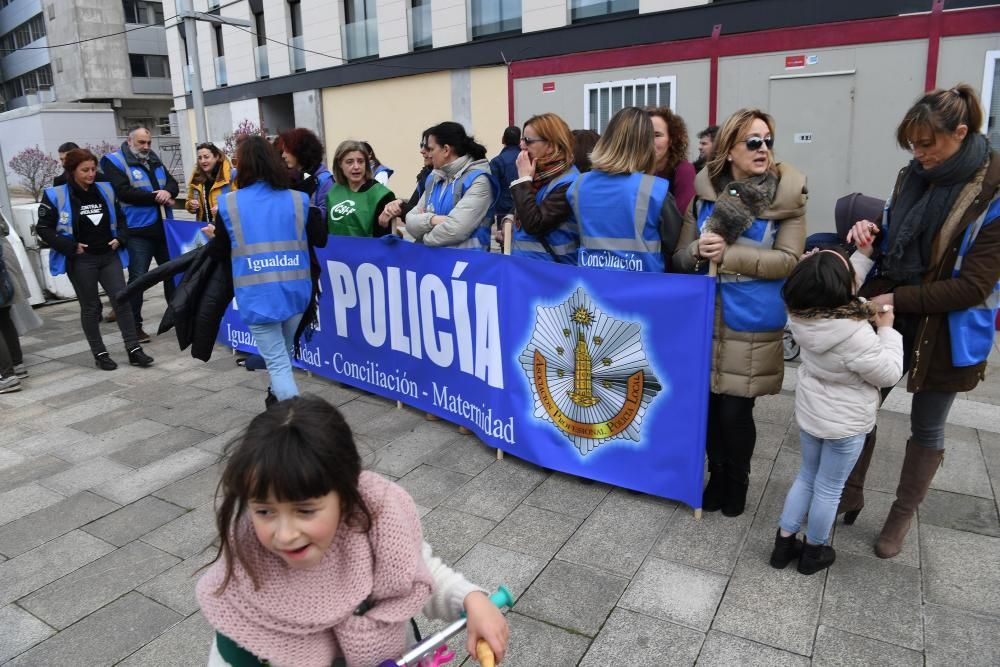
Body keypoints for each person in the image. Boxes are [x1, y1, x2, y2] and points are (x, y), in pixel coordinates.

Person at [197, 395, 510, 666]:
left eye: (305, 511)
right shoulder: (241, 587)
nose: (285, 534)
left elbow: (422, 572)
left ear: (345, 496)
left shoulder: (379, 524)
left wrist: (471, 600)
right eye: (264, 512)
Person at [837, 84, 999, 559]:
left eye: (928, 143)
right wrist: (872, 232)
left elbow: (972, 285)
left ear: (961, 133)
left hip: (944, 326)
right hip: (892, 310)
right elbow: (901, 237)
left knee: (927, 427)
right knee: (858, 407)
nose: (919, 153)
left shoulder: (990, 191)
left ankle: (901, 515)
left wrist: (894, 297)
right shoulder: (912, 174)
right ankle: (850, 489)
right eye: (913, 143)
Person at [672, 108, 807, 517]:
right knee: (710, 407)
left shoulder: (788, 195)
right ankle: (717, 476)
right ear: (730, 149)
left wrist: (730, 255)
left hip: (750, 316)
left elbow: (788, 260)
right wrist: (698, 250)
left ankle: (738, 480)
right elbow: (680, 258)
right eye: (753, 142)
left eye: (768, 140)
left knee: (735, 410)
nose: (763, 148)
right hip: (703, 318)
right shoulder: (703, 197)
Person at [769, 248, 903, 575]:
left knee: (806, 477)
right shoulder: (855, 334)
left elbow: (839, 283)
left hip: (812, 415)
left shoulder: (800, 312)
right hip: (846, 425)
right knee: (829, 488)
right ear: (842, 288)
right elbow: (888, 373)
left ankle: (783, 545)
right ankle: (814, 552)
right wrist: (887, 329)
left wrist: (865, 253)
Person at [204, 136, 327, 404]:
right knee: (282, 356)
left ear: (243, 165)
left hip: (258, 297)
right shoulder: (298, 200)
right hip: (295, 293)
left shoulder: (230, 204)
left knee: (279, 364)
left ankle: (294, 422)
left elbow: (219, 252)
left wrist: (214, 235)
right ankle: (275, 404)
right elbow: (320, 238)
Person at [37, 149, 154, 371]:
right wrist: (71, 247)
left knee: (122, 300)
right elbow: (44, 228)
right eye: (85, 170)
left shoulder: (106, 189)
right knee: (91, 307)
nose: (91, 174)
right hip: (82, 260)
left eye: (93, 169)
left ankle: (134, 349)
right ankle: (100, 354)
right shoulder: (55, 195)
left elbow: (121, 218)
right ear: (72, 171)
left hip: (108, 256)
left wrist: (120, 238)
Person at [567, 107, 682, 272]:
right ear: (645, 145)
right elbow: (673, 243)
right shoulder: (655, 189)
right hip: (642, 289)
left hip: (592, 289)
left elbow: (572, 236)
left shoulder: (578, 185)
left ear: (607, 139)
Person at [101, 126, 180, 343]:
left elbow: (172, 183)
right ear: (129, 141)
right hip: (137, 231)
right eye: (141, 143)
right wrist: (157, 197)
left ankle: (178, 318)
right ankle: (134, 326)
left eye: (148, 143)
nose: (146, 147)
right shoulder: (114, 161)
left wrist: (168, 192)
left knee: (173, 276)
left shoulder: (153, 158)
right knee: (138, 279)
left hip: (163, 228)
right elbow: (123, 191)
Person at [405, 122, 498, 250]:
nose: (429, 154)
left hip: (468, 265)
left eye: (431, 149)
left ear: (446, 150)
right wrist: (432, 220)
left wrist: (423, 237)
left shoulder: (479, 181)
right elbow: (409, 221)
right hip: (435, 266)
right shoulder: (434, 178)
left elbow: (455, 229)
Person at [504, 113, 579, 263]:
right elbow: (523, 212)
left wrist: (523, 181)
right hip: (526, 270)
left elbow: (535, 224)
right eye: (522, 139)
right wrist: (508, 221)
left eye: (528, 141)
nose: (521, 145)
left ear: (550, 146)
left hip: (552, 275)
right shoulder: (538, 176)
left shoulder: (569, 183)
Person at [325, 140, 397, 237]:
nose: (356, 167)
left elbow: (384, 239)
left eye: (360, 161)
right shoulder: (333, 192)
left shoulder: (380, 195)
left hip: (368, 250)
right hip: (335, 250)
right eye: (349, 162)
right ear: (340, 164)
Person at [276, 128, 334, 219]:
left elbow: (326, 214)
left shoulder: (323, 179)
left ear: (300, 150)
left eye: (287, 150)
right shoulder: (295, 177)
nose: (283, 155)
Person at [381, 129, 433, 228]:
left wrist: (400, 206)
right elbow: (413, 211)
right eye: (421, 145)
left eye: (428, 147)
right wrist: (399, 205)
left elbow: (422, 216)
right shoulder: (426, 174)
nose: (422, 151)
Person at [648, 107, 696, 215]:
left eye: (657, 135)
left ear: (671, 139)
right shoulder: (634, 169)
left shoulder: (683, 170)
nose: (650, 141)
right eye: (645, 135)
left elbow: (682, 217)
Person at [185, 142, 236, 224]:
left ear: (216, 157)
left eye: (206, 157)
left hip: (226, 228)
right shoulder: (196, 177)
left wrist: (223, 208)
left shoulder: (231, 175)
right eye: (199, 158)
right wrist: (190, 205)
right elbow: (189, 201)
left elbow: (240, 201)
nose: (202, 161)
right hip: (203, 228)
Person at [490, 126, 522, 221]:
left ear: (503, 140)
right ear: (519, 141)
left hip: (502, 212)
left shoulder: (496, 162)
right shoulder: (527, 159)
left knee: (504, 235)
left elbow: (492, 190)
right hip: (523, 210)